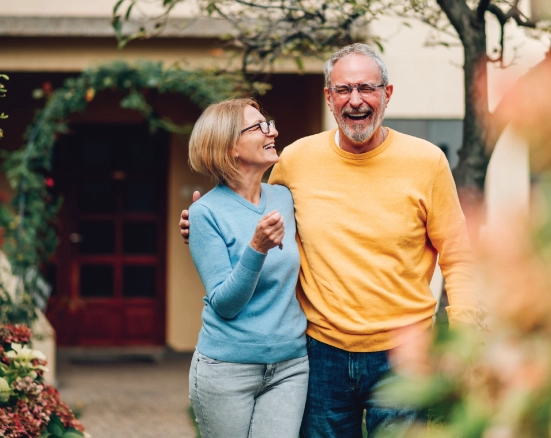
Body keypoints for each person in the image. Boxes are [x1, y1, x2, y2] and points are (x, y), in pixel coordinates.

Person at [181, 44, 478, 437]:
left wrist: (465, 337)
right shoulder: (296, 160)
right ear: (329, 97)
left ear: (387, 94)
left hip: (405, 355)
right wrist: (201, 223)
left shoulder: (426, 161)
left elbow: (458, 257)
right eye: (343, 90)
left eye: (367, 88)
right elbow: (248, 204)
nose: (355, 100)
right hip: (319, 355)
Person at [186, 97, 308, 438]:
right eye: (259, 127)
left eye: (268, 123)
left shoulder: (284, 197)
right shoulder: (204, 213)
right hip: (227, 368)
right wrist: (256, 248)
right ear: (228, 148)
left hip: (290, 365)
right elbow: (225, 304)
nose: (274, 131)